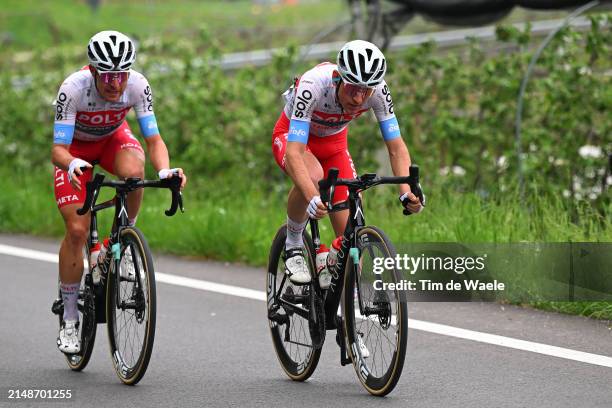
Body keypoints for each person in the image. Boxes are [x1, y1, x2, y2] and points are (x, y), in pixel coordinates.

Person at [52, 30, 187, 354]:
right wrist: (71, 164)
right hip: (74, 152)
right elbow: (57, 149)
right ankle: (70, 318)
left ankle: (122, 237)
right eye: (108, 75)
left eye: (122, 74)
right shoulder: (73, 89)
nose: (116, 83)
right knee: (76, 230)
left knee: (135, 174)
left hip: (112, 140)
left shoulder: (138, 85)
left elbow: (154, 140)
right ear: (94, 71)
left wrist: (166, 170)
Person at [271, 40, 423, 286]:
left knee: (351, 240)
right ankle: (294, 243)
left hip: (333, 145)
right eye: (353, 87)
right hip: (293, 137)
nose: (359, 97)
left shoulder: (379, 92)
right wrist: (312, 196)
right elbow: (295, 153)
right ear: (339, 78)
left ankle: (341, 300)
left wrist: (406, 193)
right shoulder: (314, 84)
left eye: (367, 90)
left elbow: (396, 147)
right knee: (313, 176)